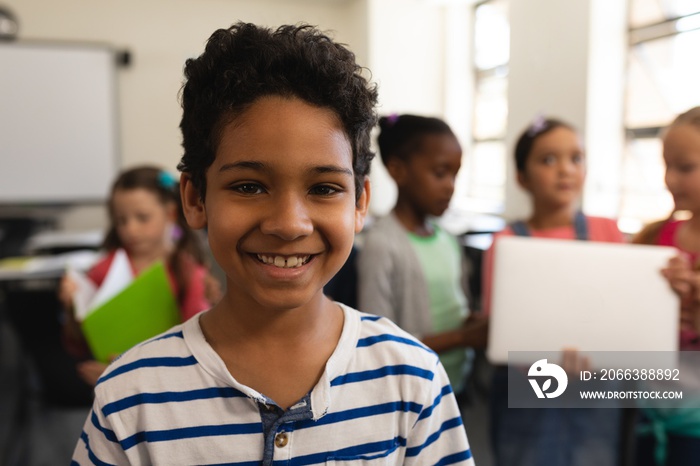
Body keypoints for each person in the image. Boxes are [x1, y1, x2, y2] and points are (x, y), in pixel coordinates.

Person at [71, 22, 474, 465]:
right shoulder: (130, 398)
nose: (289, 224)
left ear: (360, 203)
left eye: (323, 189)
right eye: (248, 186)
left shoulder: (412, 379)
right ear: (195, 198)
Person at [482, 116, 625, 466]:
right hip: (529, 389)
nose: (565, 170)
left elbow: (623, 309)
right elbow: (499, 329)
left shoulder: (608, 231)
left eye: (576, 158)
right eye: (548, 160)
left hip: (598, 387)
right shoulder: (505, 243)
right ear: (521, 177)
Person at [357, 114, 487, 400]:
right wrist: (462, 338)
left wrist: (470, 324)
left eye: (455, 174)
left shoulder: (448, 239)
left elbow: (456, 306)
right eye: (440, 173)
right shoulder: (382, 245)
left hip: (455, 383)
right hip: (415, 391)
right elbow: (379, 342)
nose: (450, 186)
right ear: (397, 170)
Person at [59, 165, 219, 386]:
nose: (130, 229)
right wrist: (71, 307)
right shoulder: (101, 271)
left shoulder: (188, 272)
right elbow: (79, 345)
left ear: (170, 214)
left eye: (142, 218)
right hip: (112, 389)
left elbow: (200, 349)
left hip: (171, 386)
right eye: (121, 220)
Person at [632, 106, 700, 466]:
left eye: (685, 168)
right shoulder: (654, 238)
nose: (670, 179)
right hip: (651, 417)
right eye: (666, 165)